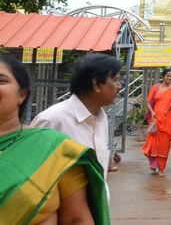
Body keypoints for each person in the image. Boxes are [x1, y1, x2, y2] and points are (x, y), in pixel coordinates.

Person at [0, 54, 110, 224]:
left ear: (22, 94)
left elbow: (77, 219)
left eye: (1, 81)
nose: (118, 86)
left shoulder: (53, 150)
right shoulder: (54, 117)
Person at [32, 52, 121, 177]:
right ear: (96, 84)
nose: (119, 86)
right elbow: (31, 172)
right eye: (116, 80)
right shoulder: (52, 120)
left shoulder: (101, 118)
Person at [141, 68, 171, 176]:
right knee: (153, 143)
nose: (169, 78)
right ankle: (154, 164)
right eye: (167, 76)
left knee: (164, 144)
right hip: (156, 118)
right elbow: (148, 102)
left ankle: (161, 168)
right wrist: (152, 112)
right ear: (163, 76)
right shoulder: (155, 87)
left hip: (168, 120)